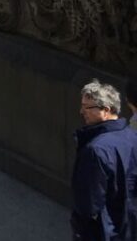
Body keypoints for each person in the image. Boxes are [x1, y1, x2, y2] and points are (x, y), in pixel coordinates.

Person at [71, 79, 137, 240]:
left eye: (87, 107)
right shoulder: (132, 136)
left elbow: (88, 205)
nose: (82, 111)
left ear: (106, 110)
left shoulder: (95, 151)